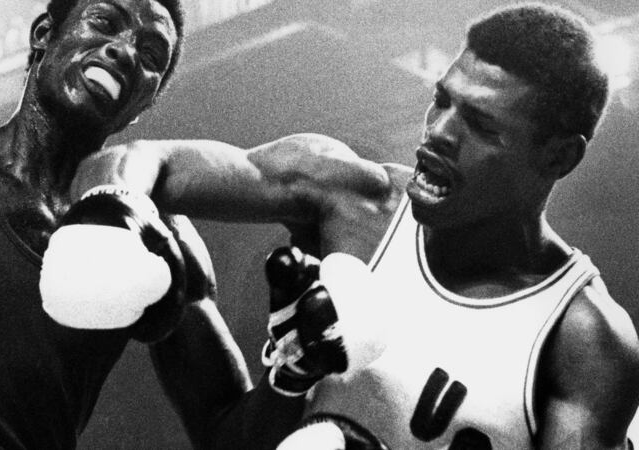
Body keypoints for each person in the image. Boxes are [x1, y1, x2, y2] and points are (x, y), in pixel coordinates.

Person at [82, 3, 639, 448]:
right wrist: (111, 210)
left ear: (558, 156)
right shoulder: (355, 198)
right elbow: (141, 160)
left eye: (481, 125)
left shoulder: (584, 342)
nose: (440, 132)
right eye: (442, 100)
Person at [0, 0, 308, 448]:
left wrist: (294, 369)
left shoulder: (149, 233)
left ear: (143, 104)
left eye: (150, 55)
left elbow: (227, 431)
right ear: (44, 35)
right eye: (104, 22)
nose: (124, 51)